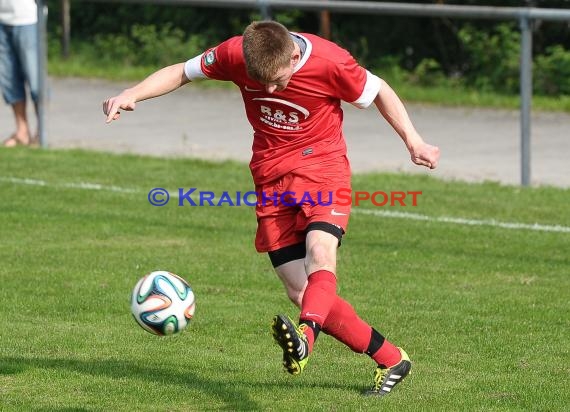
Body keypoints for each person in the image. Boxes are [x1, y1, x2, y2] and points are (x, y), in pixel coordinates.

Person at [103, 20, 440, 396]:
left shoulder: (331, 62)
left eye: (278, 80)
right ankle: (392, 359)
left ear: (295, 55)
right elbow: (182, 71)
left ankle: (305, 340)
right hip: (269, 177)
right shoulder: (236, 53)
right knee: (300, 291)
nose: (268, 89)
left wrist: (414, 141)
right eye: (259, 81)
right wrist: (132, 92)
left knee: (320, 254)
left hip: (322, 169)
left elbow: (380, 90)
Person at [0, 0, 39, 147]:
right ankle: (22, 132)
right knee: (9, 80)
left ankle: (42, 132)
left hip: (28, 19)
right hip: (2, 19)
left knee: (36, 81)